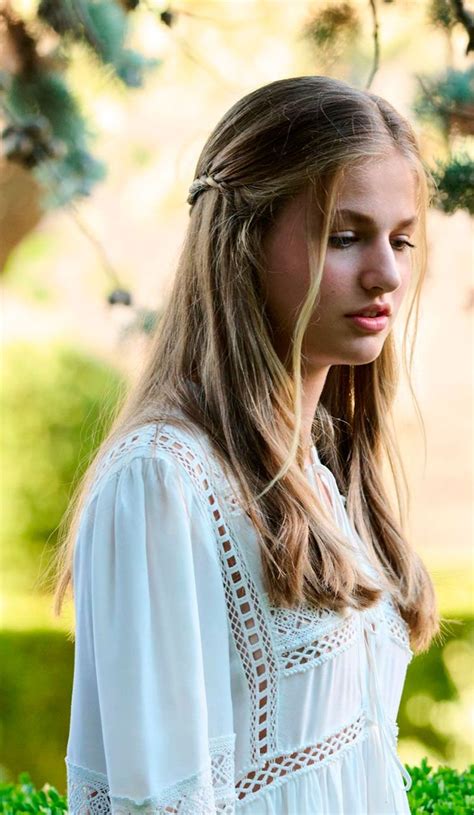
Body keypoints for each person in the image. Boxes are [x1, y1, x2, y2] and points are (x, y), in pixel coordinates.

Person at [54, 75, 441, 814]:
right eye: (345, 235)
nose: (386, 273)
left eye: (400, 239)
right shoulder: (164, 483)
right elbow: (159, 801)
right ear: (243, 242)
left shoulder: (325, 474)